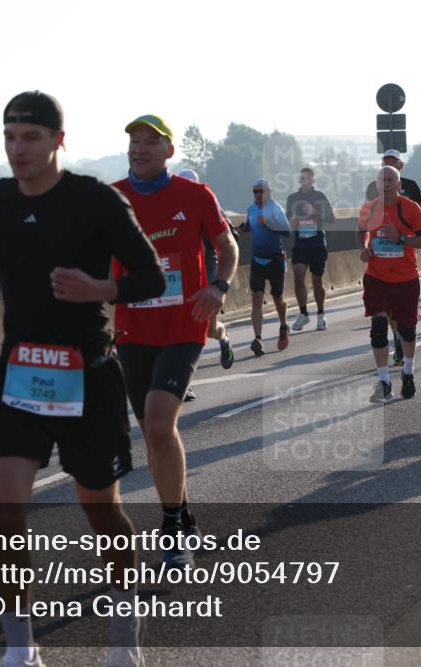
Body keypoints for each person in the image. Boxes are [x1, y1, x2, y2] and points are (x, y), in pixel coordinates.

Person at [0, 91, 166, 667]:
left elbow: (150, 275)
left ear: (58, 140)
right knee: (6, 515)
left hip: (88, 374)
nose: (17, 149)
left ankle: (124, 638)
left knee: (102, 513)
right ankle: (20, 649)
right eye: (9, 137)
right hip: (20, 375)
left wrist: (104, 289)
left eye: (29, 137)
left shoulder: (94, 202)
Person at [112, 115, 238, 569]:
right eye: (133, 142)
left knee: (161, 422)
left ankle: (169, 526)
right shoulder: (112, 199)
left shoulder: (195, 195)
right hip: (132, 328)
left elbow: (228, 249)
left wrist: (218, 287)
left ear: (168, 151)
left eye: (150, 142)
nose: (138, 149)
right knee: (152, 432)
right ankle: (182, 512)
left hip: (185, 324)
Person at [358, 166, 421, 402]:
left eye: (391, 180)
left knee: (407, 331)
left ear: (399, 185)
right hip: (376, 278)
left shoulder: (411, 209)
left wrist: (400, 238)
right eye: (383, 180)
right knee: (378, 328)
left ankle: (408, 373)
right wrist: (364, 248)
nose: (387, 183)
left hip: (405, 279)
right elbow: (361, 232)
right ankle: (384, 382)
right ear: (377, 184)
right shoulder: (369, 209)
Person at [175, 169, 235, 402]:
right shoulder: (172, 206)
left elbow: (228, 242)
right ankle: (184, 384)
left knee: (206, 328)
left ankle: (223, 338)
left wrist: (219, 282)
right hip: (180, 269)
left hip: (207, 265)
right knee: (182, 326)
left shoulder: (208, 205)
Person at [365, 149, 421, 364]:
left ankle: (402, 339)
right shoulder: (371, 199)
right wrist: (365, 247)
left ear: (401, 167)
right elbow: (364, 227)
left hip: (405, 261)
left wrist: (403, 234)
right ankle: (396, 339)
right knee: (381, 321)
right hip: (378, 270)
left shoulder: (410, 189)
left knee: (406, 322)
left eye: (393, 162)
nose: (387, 181)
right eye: (385, 161)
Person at [241, 178, 291, 355]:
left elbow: (287, 231)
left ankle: (284, 326)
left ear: (268, 192)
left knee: (278, 298)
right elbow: (250, 225)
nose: (257, 195)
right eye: (254, 192)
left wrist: (270, 224)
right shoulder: (251, 209)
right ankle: (258, 339)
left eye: (260, 191)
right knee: (256, 298)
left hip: (275, 260)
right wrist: (244, 228)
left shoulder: (276, 209)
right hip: (257, 260)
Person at [286, 167, 335, 331]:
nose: (303, 181)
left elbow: (331, 218)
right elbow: (287, 220)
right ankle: (304, 313)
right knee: (298, 277)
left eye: (306, 178)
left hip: (317, 244)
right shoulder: (292, 198)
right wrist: (291, 224)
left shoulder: (319, 197)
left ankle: (321, 315)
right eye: (301, 178)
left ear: (313, 181)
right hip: (300, 245)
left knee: (317, 281)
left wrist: (315, 211)